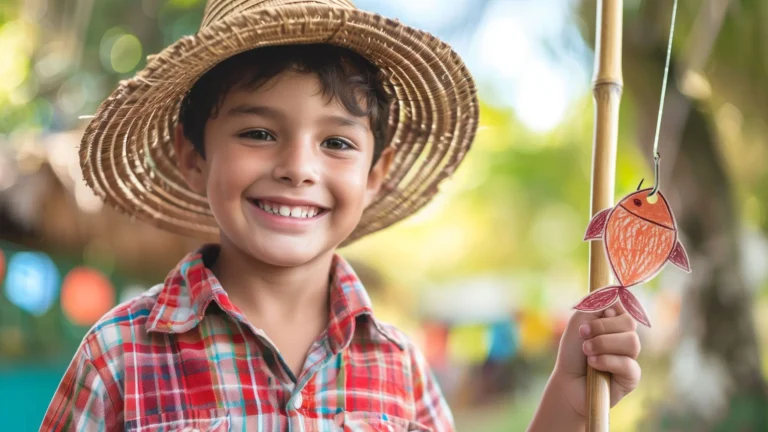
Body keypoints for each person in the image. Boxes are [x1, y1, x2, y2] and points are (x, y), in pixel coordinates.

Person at [41, 0, 641, 430]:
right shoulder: (119, 355)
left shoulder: (401, 371)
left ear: (376, 174)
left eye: (337, 143)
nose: (299, 167)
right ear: (193, 157)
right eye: (258, 131)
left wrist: (568, 397)